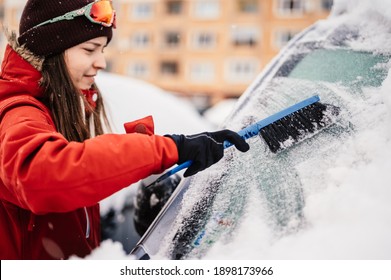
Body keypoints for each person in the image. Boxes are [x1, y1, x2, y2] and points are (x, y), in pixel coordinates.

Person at [0, 0, 249, 260]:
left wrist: (151, 165)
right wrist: (167, 148)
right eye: (90, 50)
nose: (101, 62)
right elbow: (46, 175)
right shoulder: (18, 112)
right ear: (51, 50)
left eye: (103, 50)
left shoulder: (53, 113)